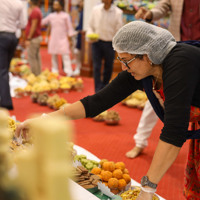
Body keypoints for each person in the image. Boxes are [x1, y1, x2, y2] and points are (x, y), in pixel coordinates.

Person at [16, 21, 200, 199]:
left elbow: (174, 131)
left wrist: (148, 188)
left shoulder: (180, 63)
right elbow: (97, 102)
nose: (123, 67)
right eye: (120, 60)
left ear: (147, 55)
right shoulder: (144, 69)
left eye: (126, 60)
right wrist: (45, 119)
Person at [126, 0, 200, 159]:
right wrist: (150, 14)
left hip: (197, 56)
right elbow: (163, 6)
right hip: (176, 51)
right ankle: (140, 142)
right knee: (155, 97)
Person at [86, 0, 123, 92]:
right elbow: (90, 25)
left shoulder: (118, 12)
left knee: (108, 66)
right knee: (96, 66)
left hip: (110, 43)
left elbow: (119, 30)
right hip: (96, 42)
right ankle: (97, 89)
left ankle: (105, 88)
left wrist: (118, 44)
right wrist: (90, 34)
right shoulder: (95, 9)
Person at [0, 0, 26, 110]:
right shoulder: (19, 3)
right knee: (5, 69)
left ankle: (6, 102)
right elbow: (23, 24)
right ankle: (5, 98)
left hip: (1, 36)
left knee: (2, 70)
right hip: (12, 36)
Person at [41, 0, 76, 76]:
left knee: (65, 55)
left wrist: (70, 40)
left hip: (63, 39)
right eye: (54, 5)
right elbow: (43, 22)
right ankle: (55, 71)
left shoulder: (65, 16)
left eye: (56, 5)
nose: (55, 6)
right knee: (53, 55)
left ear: (61, 6)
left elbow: (69, 28)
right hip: (53, 39)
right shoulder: (51, 16)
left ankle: (68, 71)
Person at [25, 0, 42, 76]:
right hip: (36, 37)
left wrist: (29, 38)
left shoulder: (35, 11)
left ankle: (34, 74)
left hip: (33, 38)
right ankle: (38, 74)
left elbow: (33, 25)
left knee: (32, 57)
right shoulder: (36, 10)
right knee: (36, 56)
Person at [73, 0, 84, 76]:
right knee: (76, 51)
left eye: (82, 2)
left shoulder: (85, 12)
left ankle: (78, 68)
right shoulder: (81, 12)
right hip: (79, 33)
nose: (80, 3)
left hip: (82, 35)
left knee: (78, 52)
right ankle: (78, 67)